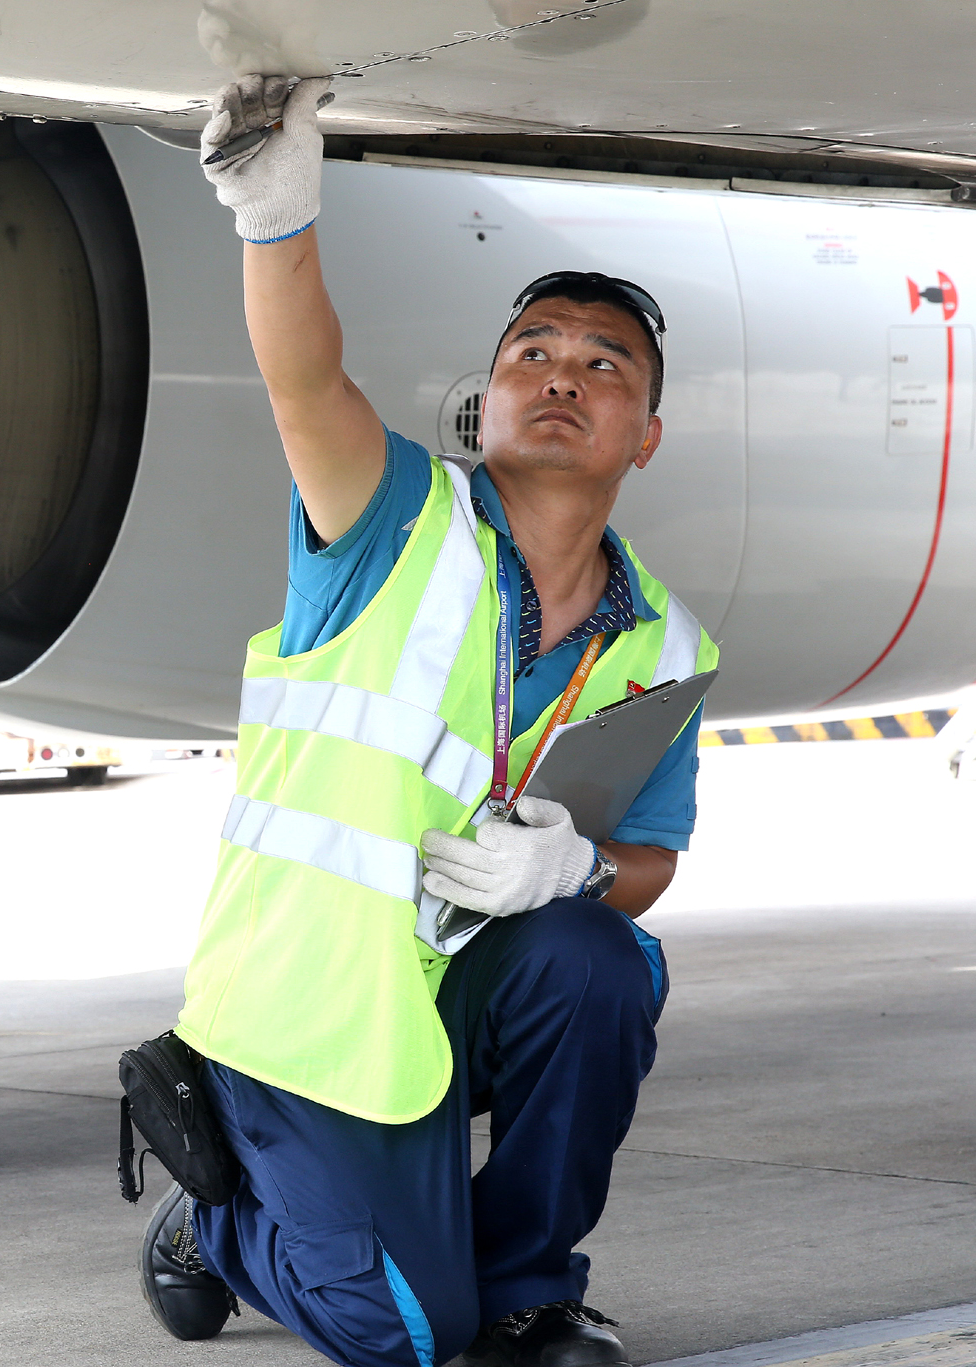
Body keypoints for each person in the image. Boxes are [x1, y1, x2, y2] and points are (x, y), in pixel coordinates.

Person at [136, 76, 720, 1367]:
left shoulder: (664, 649)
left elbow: (653, 863)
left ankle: (528, 1291)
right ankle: (219, 1224)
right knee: (403, 1336)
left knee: (600, 966)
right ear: (488, 402)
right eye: (534, 355)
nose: (562, 376)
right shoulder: (395, 522)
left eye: (601, 364)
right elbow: (305, 381)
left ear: (648, 434)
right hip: (313, 1011)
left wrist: (574, 869)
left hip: (451, 996)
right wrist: (277, 217)